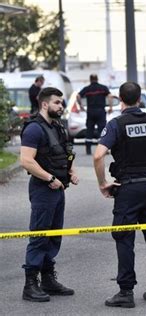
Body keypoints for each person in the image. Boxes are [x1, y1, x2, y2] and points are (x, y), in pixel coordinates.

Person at [93, 82, 146, 308]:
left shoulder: (116, 124)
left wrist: (103, 184)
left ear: (121, 99)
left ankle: (126, 293)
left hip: (127, 189)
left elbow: (98, 156)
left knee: (124, 239)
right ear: (139, 99)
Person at [19, 87, 79, 302]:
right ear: (44, 104)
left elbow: (64, 153)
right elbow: (26, 160)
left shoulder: (57, 127)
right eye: (56, 103)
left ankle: (47, 279)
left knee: (53, 235)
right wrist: (50, 178)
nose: (60, 107)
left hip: (58, 188)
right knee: (39, 235)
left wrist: (70, 171)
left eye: (61, 103)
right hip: (43, 189)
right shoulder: (34, 129)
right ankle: (30, 284)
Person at [77, 74, 113, 155]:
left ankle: (88, 150)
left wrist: (81, 106)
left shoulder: (87, 89)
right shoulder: (103, 88)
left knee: (89, 130)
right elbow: (110, 96)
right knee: (102, 130)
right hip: (100, 111)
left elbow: (78, 96)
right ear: (97, 79)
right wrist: (111, 107)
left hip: (90, 111)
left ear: (90, 80)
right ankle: (104, 149)